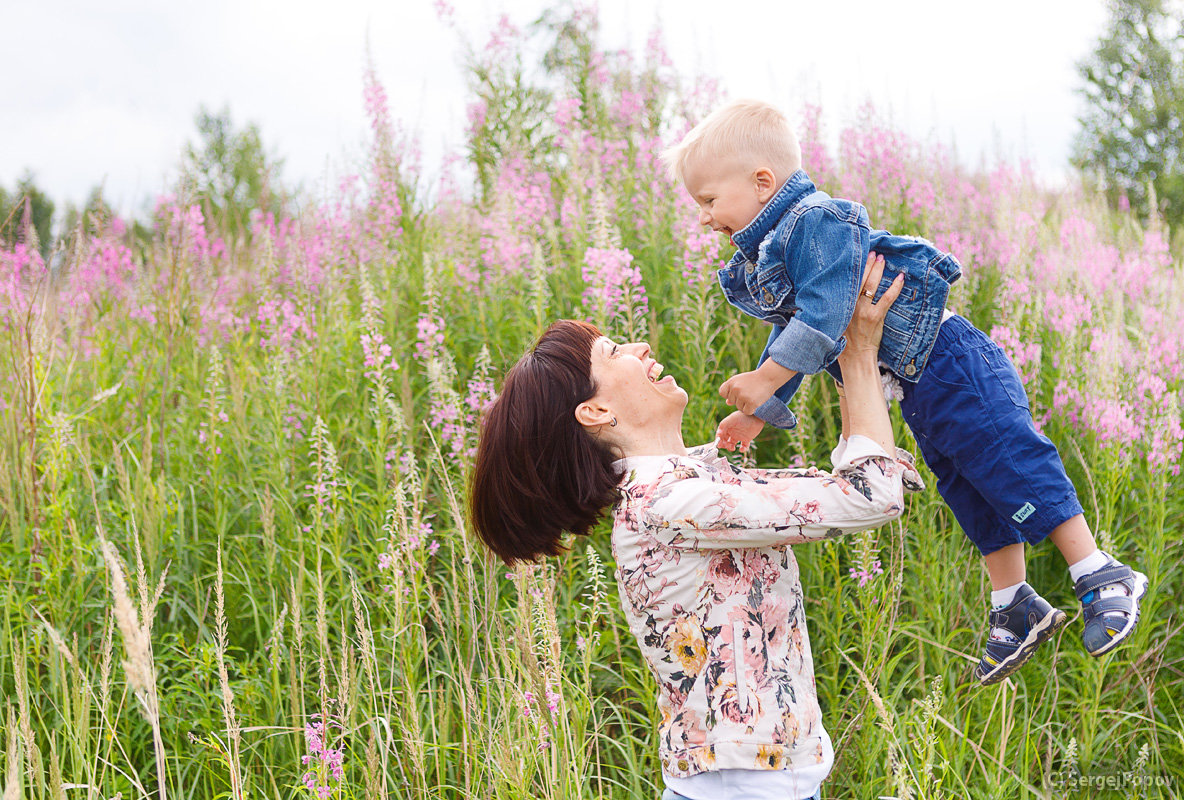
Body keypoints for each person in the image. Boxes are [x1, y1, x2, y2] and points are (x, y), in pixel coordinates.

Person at [659, 98, 1147, 685]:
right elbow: (795, 334)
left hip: (950, 360)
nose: (706, 218)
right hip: (916, 385)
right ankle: (1014, 603)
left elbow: (821, 318)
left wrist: (766, 380)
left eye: (710, 201)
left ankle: (1098, 570)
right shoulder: (779, 246)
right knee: (971, 487)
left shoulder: (817, 221)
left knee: (1008, 462)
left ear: (762, 183)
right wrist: (764, 409)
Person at [472, 255, 919, 800]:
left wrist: (838, 338)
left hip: (756, 780)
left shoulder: (690, 480)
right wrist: (860, 352)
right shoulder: (672, 503)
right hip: (743, 786)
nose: (639, 348)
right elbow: (870, 495)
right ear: (594, 413)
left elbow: (840, 489)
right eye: (615, 352)